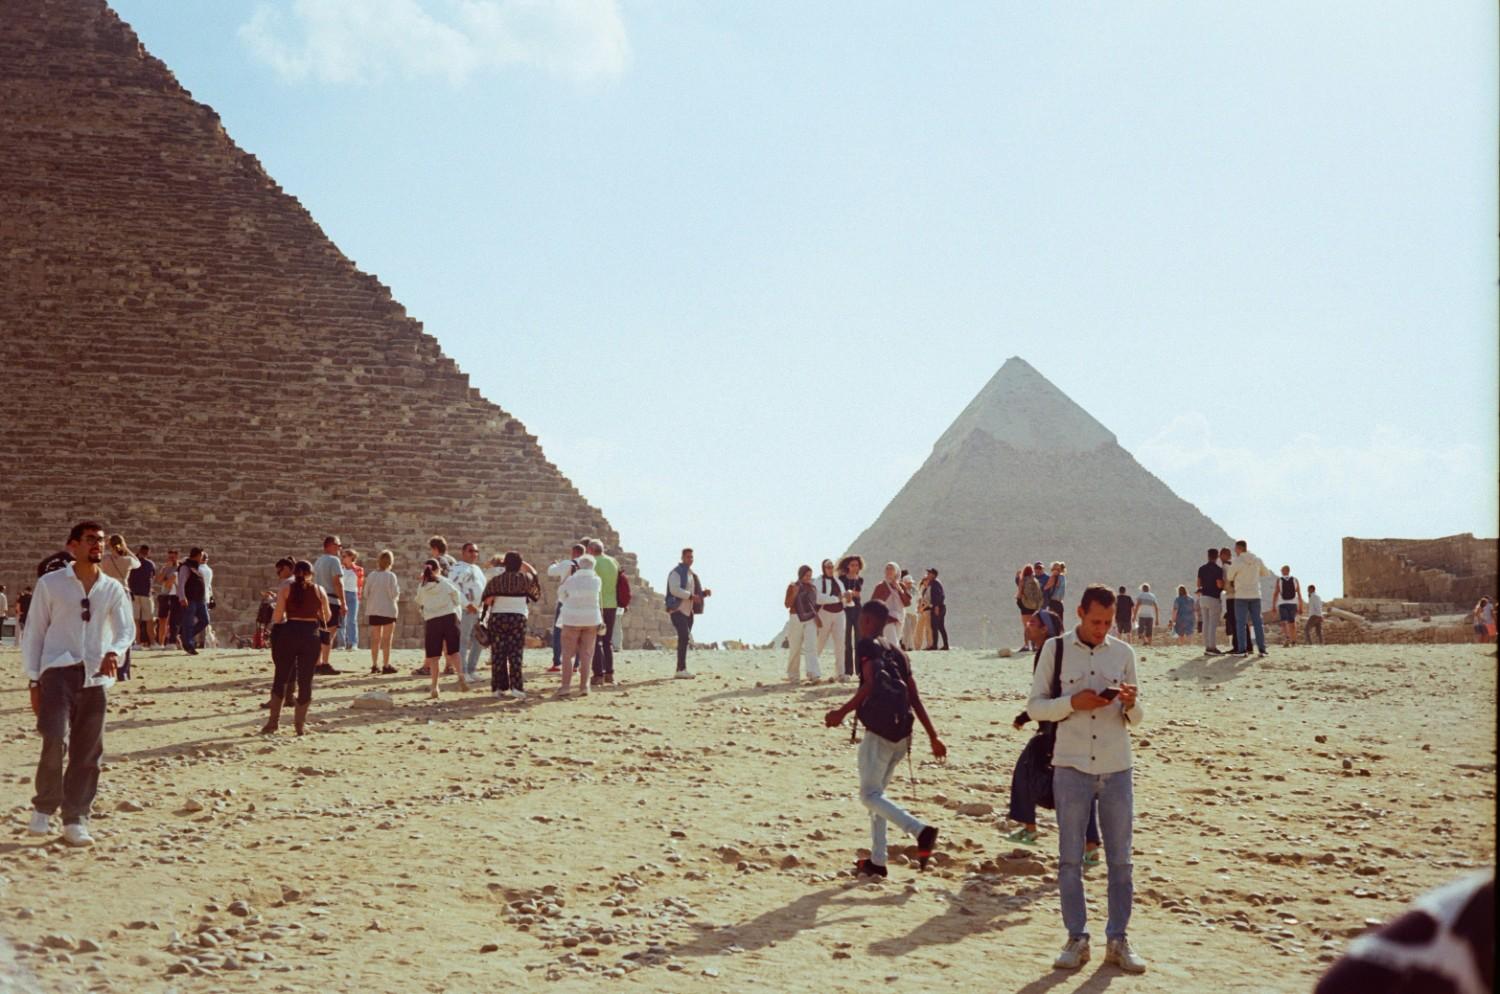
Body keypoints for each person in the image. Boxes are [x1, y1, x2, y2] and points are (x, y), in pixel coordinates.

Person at [1027, 583, 1146, 974]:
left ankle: (1118, 940)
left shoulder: (1124, 652)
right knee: (1069, 861)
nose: (1102, 629)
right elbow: (1036, 707)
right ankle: (1076, 938)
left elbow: (1138, 717)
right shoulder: (1054, 650)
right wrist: (1072, 703)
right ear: (1080, 613)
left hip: (1116, 765)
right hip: (1071, 765)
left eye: (1109, 622)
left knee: (1121, 862)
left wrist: (1129, 703)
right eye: (1096, 621)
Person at [21, 521, 132, 847]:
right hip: (56, 672)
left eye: (100, 540)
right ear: (73, 546)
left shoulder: (112, 588)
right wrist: (32, 680)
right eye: (90, 540)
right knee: (54, 737)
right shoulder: (51, 583)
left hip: (95, 676)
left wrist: (115, 650)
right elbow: (35, 632)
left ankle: (75, 819)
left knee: (88, 752)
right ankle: (44, 808)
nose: (98, 545)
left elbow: (126, 629)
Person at [823, 601, 945, 879]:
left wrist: (841, 712)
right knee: (878, 796)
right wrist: (933, 735)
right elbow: (914, 697)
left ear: (865, 620)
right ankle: (878, 861)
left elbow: (870, 684)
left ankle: (920, 831)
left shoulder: (866, 646)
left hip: (878, 734)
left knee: (869, 796)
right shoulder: (900, 653)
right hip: (903, 735)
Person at [1006, 609, 1103, 868]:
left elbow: (1049, 694)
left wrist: (1028, 716)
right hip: (1068, 725)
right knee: (1080, 784)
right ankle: (1090, 846)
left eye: (1033, 623)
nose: (1028, 625)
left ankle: (1030, 828)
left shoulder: (1048, 653)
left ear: (1045, 629)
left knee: (1026, 770)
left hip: (1056, 729)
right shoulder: (1060, 651)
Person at [262, 560, 329, 735]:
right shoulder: (319, 590)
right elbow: (327, 616)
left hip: (289, 633)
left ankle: (272, 723)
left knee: (281, 677)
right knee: (306, 680)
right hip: (310, 636)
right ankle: (299, 726)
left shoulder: (286, 589)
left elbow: (277, 617)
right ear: (311, 573)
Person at [482, 552, 540, 700]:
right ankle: (516, 688)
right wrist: (524, 564)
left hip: (498, 618)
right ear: (519, 565)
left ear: (505, 564)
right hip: (518, 619)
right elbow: (535, 575)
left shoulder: (496, 580)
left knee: (498, 654)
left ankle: (498, 688)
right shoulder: (525, 579)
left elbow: (487, 601)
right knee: (515, 655)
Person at [415, 558, 465, 699]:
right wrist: (454, 607)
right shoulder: (445, 582)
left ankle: (435, 686)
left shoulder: (422, 586)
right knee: (454, 651)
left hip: (432, 621)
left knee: (434, 657)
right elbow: (456, 595)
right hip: (449, 617)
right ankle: (461, 675)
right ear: (438, 569)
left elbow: (418, 601)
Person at [556, 553, 603, 697]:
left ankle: (565, 687)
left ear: (578, 566)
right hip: (591, 620)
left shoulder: (570, 580)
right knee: (587, 654)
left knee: (567, 654)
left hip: (571, 619)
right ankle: (584, 686)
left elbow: (561, 595)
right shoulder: (597, 580)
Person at [665, 549, 710, 678]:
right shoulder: (676, 573)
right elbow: (674, 590)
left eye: (692, 557)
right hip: (677, 610)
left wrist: (704, 594)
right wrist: (690, 596)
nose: (690, 559)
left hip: (688, 612)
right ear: (682, 558)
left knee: (684, 640)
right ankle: (680, 669)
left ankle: (681, 668)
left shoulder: (691, 575)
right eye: (688, 557)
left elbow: (695, 594)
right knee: (684, 637)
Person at [1226, 539, 1273, 658]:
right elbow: (1266, 573)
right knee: (1258, 623)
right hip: (1255, 595)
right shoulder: (1257, 560)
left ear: (1239, 548)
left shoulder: (1237, 561)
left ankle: (1242, 650)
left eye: (1235, 548)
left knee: (1241, 623)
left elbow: (1229, 576)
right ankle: (1262, 649)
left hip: (1241, 595)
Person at [450, 542, 487, 684]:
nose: (474, 554)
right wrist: (467, 604)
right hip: (466, 610)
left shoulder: (477, 568)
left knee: (479, 641)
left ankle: (472, 670)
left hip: (479, 610)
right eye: (471, 551)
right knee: (463, 641)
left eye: (476, 551)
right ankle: (462, 672)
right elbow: (453, 589)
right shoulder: (457, 568)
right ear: (463, 552)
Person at [545, 543, 585, 674]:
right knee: (580, 632)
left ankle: (557, 662)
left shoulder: (567, 563)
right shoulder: (588, 565)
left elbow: (550, 571)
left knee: (558, 631)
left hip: (565, 601)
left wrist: (554, 563)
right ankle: (576, 665)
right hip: (581, 602)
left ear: (573, 552)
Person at [586, 540, 621, 686]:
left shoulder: (593, 562)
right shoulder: (613, 561)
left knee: (596, 641)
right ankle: (610, 674)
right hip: (612, 605)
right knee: (607, 641)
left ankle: (598, 674)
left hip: (598, 605)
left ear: (591, 550)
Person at [311, 536, 345, 675]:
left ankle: (317, 663)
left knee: (321, 633)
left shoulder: (318, 561)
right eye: (338, 545)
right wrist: (343, 603)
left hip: (318, 600)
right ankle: (324, 663)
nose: (340, 548)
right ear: (330, 545)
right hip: (331, 600)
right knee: (329, 633)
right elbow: (337, 582)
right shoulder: (334, 560)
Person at [363, 550, 400, 674]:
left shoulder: (372, 575)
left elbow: (365, 593)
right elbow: (393, 594)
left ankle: (374, 665)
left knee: (375, 638)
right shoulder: (391, 576)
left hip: (374, 610)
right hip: (388, 610)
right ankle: (386, 664)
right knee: (387, 639)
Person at [786, 566, 823, 683]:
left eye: (810, 575)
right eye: (806, 575)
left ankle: (813, 674)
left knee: (811, 647)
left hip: (810, 619)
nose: (809, 578)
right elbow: (787, 604)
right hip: (796, 618)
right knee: (795, 648)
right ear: (801, 574)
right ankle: (793, 675)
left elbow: (815, 604)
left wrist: (817, 617)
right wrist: (795, 593)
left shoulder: (813, 588)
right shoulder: (793, 586)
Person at [812, 559, 848, 675]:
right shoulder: (818, 581)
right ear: (823, 568)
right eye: (828, 567)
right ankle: (813, 671)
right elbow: (818, 598)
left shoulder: (838, 581)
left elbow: (843, 599)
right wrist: (836, 599)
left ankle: (840, 673)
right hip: (825, 614)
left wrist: (847, 598)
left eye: (832, 566)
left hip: (840, 614)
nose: (830, 569)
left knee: (840, 643)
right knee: (820, 642)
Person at [868, 562, 911, 647]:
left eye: (891, 569)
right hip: (886, 618)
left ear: (896, 572)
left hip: (899, 617)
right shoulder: (881, 586)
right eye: (887, 569)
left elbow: (907, 603)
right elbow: (873, 603)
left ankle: (888, 659)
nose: (889, 571)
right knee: (894, 643)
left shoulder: (901, 585)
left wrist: (900, 590)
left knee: (892, 643)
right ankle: (896, 659)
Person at [177, 548, 210, 655]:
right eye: (202, 555)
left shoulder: (196, 567)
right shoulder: (186, 567)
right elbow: (181, 583)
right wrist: (182, 597)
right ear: (197, 555)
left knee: (205, 620)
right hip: (189, 600)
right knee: (188, 623)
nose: (203, 557)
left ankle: (186, 636)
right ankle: (189, 646)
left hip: (200, 600)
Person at [837, 556, 864, 680]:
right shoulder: (841, 579)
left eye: (857, 565)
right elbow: (838, 593)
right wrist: (846, 594)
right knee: (846, 640)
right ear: (848, 566)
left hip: (857, 610)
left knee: (859, 640)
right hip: (845, 610)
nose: (855, 567)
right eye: (852, 565)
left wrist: (851, 593)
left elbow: (858, 593)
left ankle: (860, 670)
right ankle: (848, 671)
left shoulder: (860, 579)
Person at [1195, 548, 1225, 655]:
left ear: (1208, 556)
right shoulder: (1218, 569)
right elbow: (1219, 584)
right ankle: (1212, 647)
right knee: (1212, 624)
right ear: (1217, 556)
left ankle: (1207, 646)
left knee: (1205, 623)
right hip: (1213, 598)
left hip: (1203, 598)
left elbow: (1198, 584)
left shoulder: (1201, 569)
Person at [127, 544, 156, 648]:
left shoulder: (132, 563)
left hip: (134, 593)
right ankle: (152, 642)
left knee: (136, 620)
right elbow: (152, 577)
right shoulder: (150, 564)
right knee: (149, 620)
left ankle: (137, 642)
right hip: (145, 594)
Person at [339, 548, 364, 651]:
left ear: (351, 557)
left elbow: (360, 584)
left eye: (345, 556)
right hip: (342, 594)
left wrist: (359, 596)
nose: (343, 558)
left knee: (352, 620)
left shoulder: (359, 569)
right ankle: (341, 644)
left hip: (353, 595)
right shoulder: (340, 568)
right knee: (341, 620)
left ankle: (353, 643)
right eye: (342, 556)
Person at [155, 549, 180, 648]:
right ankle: (160, 643)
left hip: (175, 596)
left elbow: (169, 583)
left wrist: (167, 581)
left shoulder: (180, 568)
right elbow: (159, 580)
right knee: (162, 620)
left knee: (173, 620)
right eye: (169, 557)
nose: (171, 559)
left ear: (177, 557)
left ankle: (171, 642)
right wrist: (165, 570)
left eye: (173, 557)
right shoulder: (165, 568)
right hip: (164, 595)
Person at [1273, 565, 1303, 648]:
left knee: (1284, 622)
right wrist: (1300, 606)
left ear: (1283, 571)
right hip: (1293, 603)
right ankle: (1294, 641)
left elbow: (1276, 593)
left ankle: (1287, 638)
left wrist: (1273, 606)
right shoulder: (1295, 580)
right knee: (1292, 622)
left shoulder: (1279, 580)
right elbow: (1299, 594)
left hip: (1282, 603)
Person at [1219, 547, 1241, 654]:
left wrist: (1223, 587)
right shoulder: (1234, 565)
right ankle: (1246, 646)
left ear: (1224, 555)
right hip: (1239, 596)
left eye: (1221, 555)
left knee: (1234, 622)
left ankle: (1237, 647)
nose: (1220, 557)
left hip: (1232, 596)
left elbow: (1230, 580)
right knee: (1241, 622)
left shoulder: (1226, 566)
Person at [1017, 565, 1044, 648]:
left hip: (1025, 606)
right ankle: (1035, 645)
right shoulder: (1036, 581)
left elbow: (1020, 593)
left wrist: (1018, 599)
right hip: (1035, 606)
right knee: (1034, 626)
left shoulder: (1023, 581)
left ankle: (1026, 645)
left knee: (1026, 626)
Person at [926, 568, 949, 650]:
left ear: (933, 575)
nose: (927, 575)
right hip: (940, 607)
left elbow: (940, 596)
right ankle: (945, 645)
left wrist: (936, 607)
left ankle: (935, 645)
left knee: (935, 626)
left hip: (938, 607)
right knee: (940, 627)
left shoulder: (935, 584)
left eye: (929, 573)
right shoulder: (934, 583)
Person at [913, 573, 933, 653]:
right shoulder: (923, 589)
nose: (925, 582)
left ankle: (929, 645)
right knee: (919, 628)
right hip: (922, 611)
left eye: (927, 580)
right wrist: (919, 607)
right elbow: (920, 599)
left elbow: (929, 601)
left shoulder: (930, 589)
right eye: (925, 580)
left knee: (928, 629)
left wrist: (922, 608)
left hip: (927, 610)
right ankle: (917, 646)